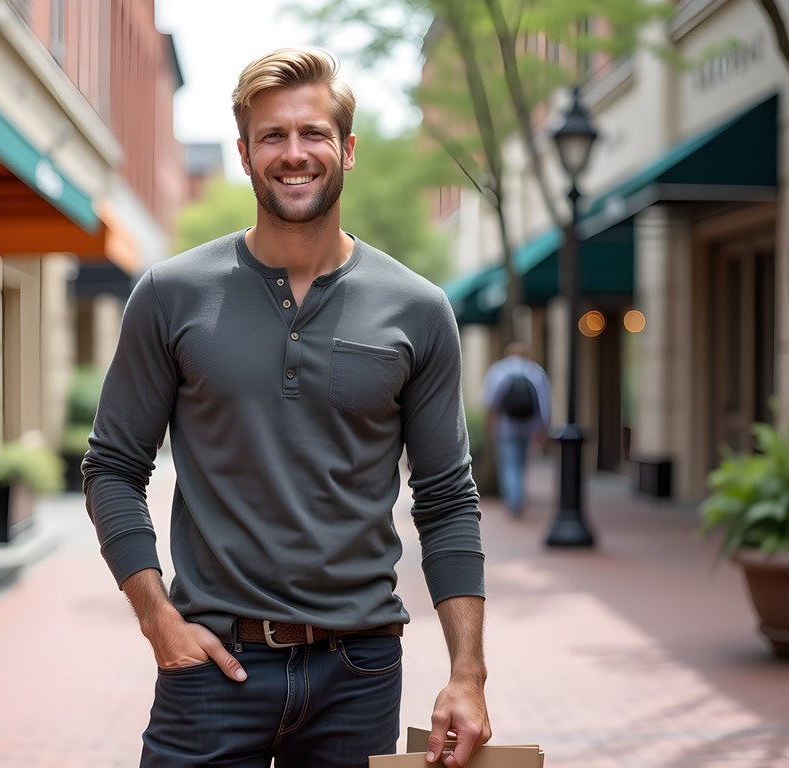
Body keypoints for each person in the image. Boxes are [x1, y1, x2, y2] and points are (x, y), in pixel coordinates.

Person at [82, 47, 490, 768]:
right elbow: (113, 466)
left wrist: (467, 673)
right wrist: (157, 620)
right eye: (272, 136)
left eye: (313, 134)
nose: (293, 153)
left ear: (348, 148)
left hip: (358, 673)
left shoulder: (418, 310)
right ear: (243, 153)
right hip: (209, 667)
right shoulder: (171, 295)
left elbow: (448, 499)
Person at [481, 342, 552, 518]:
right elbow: (544, 403)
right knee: (521, 462)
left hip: (505, 426)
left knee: (508, 462)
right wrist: (543, 427)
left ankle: (514, 502)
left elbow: (490, 400)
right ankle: (518, 498)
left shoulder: (499, 370)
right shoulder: (535, 371)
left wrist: (489, 423)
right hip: (528, 426)